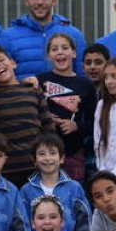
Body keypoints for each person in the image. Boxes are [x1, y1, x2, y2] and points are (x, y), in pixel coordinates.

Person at [0, 46, 55, 184]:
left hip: (36, 165)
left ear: (13, 63)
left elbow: (48, 128)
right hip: (7, 169)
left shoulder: (33, 90)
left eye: (1, 60)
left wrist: (52, 157)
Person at [0, 0, 87, 78]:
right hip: (23, 94)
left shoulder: (74, 35)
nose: (40, 2)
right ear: (26, 0)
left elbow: (82, 77)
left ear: (54, 0)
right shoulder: (8, 37)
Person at [37, 33, 97, 182]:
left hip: (73, 151)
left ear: (74, 53)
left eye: (65, 48)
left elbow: (94, 122)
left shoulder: (85, 85)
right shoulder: (39, 80)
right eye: (54, 49)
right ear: (48, 55)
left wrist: (76, 126)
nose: (60, 52)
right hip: (45, 152)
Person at [18, 134, 92, 231]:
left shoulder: (74, 188)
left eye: (52, 153)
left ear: (61, 158)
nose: (47, 158)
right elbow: (23, 226)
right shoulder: (26, 190)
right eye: (42, 154)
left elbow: (85, 224)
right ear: (34, 160)